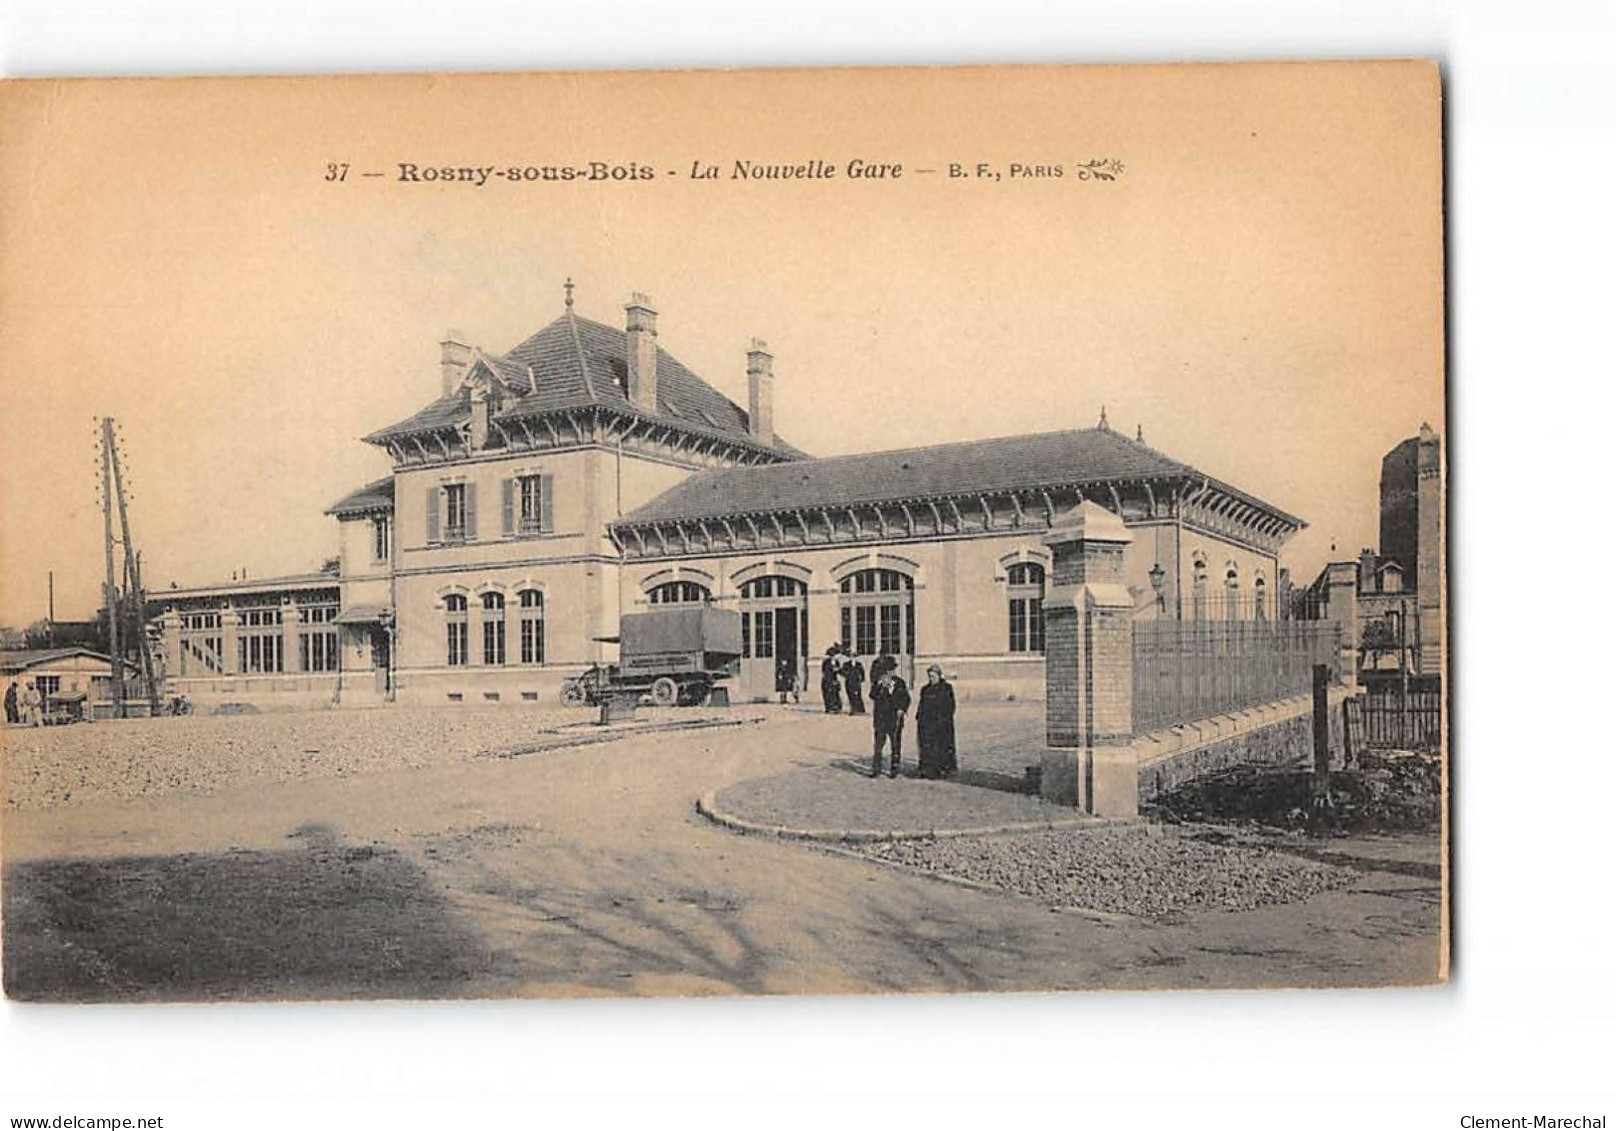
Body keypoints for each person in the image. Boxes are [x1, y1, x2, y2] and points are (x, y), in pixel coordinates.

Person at [869, 662, 911, 779]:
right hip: (880, 719)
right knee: (878, 745)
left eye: (891, 671)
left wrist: (902, 709)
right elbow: (871, 696)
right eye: (887, 672)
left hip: (894, 719)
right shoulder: (878, 683)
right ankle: (876, 769)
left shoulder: (900, 683)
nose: (889, 674)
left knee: (895, 745)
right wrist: (879, 686)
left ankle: (894, 768)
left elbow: (906, 698)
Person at [916, 664, 958, 779]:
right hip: (927, 723)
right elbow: (921, 705)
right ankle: (928, 770)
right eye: (929, 676)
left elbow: (951, 705)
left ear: (939, 676)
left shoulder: (946, 688)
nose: (931, 679)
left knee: (943, 746)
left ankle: (945, 769)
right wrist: (919, 718)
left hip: (942, 723)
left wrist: (944, 719)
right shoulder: (925, 689)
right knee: (927, 747)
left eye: (933, 676)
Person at [820, 646, 843, 714]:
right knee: (828, 694)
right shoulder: (826, 662)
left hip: (834, 680)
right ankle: (829, 708)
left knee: (835, 694)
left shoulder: (837, 662)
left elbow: (839, 671)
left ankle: (836, 708)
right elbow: (825, 672)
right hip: (827, 680)